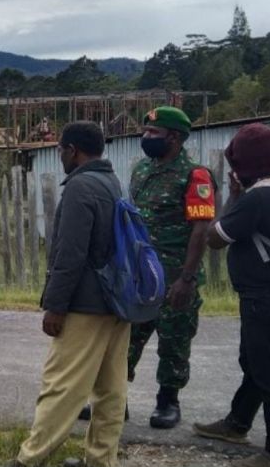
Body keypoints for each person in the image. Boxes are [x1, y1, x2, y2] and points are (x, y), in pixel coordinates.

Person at [0, 122, 127, 467]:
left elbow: (69, 254)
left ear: (73, 150)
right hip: (116, 302)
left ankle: (29, 462)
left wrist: (55, 305)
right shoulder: (112, 182)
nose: (60, 156)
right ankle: (101, 463)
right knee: (111, 387)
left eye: (60, 149)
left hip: (86, 303)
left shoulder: (81, 187)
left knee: (62, 383)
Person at [195, 123, 270, 467]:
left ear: (246, 163)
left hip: (269, 298)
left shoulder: (259, 197)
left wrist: (233, 196)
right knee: (257, 362)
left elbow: (216, 237)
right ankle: (237, 423)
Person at [92, 107, 214, 429]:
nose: (145, 138)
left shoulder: (196, 176)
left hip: (175, 276)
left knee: (174, 340)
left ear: (173, 137)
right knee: (126, 338)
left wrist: (187, 279)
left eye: (153, 133)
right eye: (145, 131)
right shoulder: (142, 169)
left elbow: (201, 230)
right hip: (141, 276)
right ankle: (117, 400)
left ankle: (168, 402)